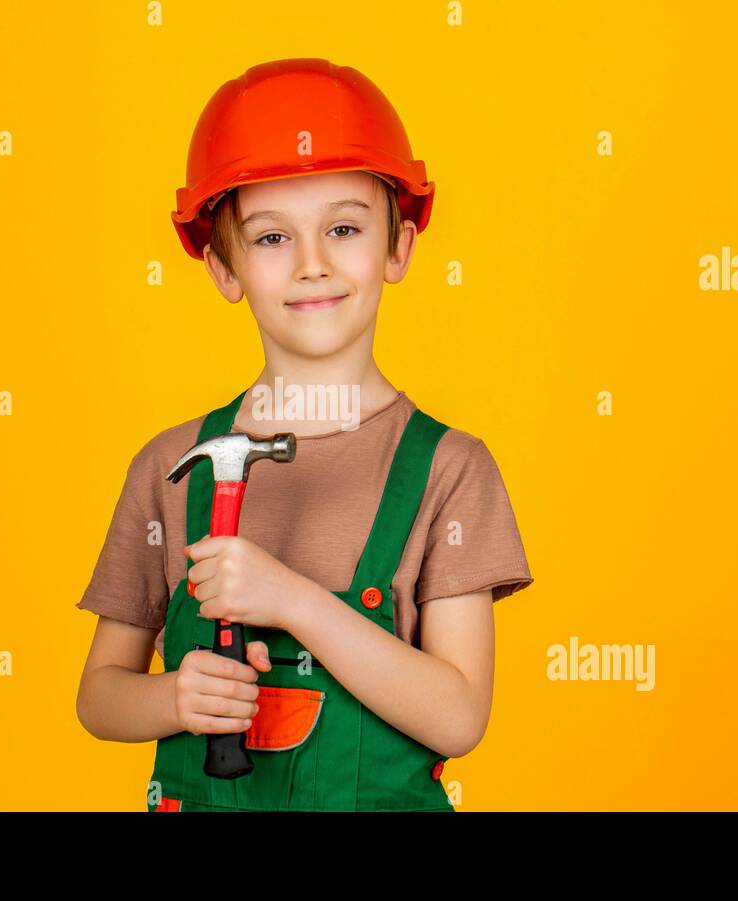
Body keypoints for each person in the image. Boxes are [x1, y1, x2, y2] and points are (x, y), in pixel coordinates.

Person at [75, 58, 533, 811]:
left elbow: (459, 716)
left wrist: (291, 599)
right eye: (272, 237)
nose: (313, 264)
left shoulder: (451, 472)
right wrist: (176, 698)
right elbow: (99, 696)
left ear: (398, 248)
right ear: (224, 266)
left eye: (344, 228)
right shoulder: (167, 469)